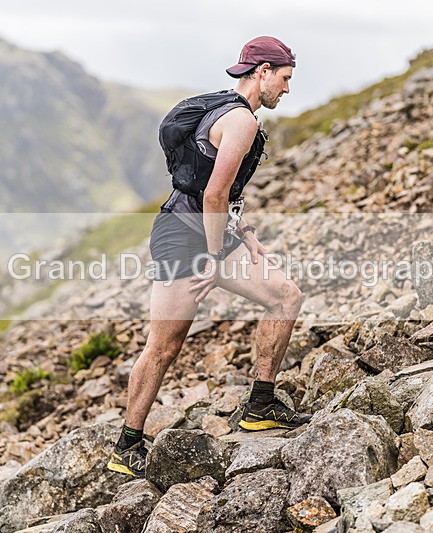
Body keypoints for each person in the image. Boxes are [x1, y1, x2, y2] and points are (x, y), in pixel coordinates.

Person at [107, 36, 311, 479]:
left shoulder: (232, 113)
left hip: (214, 232)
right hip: (183, 237)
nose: (288, 89)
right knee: (164, 346)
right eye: (285, 78)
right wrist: (216, 257)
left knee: (286, 297)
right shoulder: (240, 122)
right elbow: (214, 193)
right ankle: (127, 445)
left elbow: (218, 195)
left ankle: (259, 404)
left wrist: (243, 233)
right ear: (261, 72)